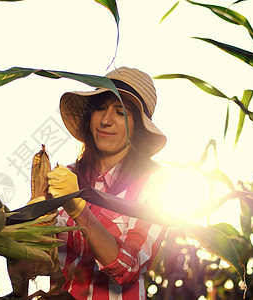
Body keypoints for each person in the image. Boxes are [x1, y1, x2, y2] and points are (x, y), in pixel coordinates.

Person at [46, 66, 168, 299]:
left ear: (138, 129)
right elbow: (37, 259)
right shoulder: (65, 177)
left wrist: (79, 209)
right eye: (100, 108)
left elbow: (127, 267)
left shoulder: (155, 183)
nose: (105, 120)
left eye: (121, 112)